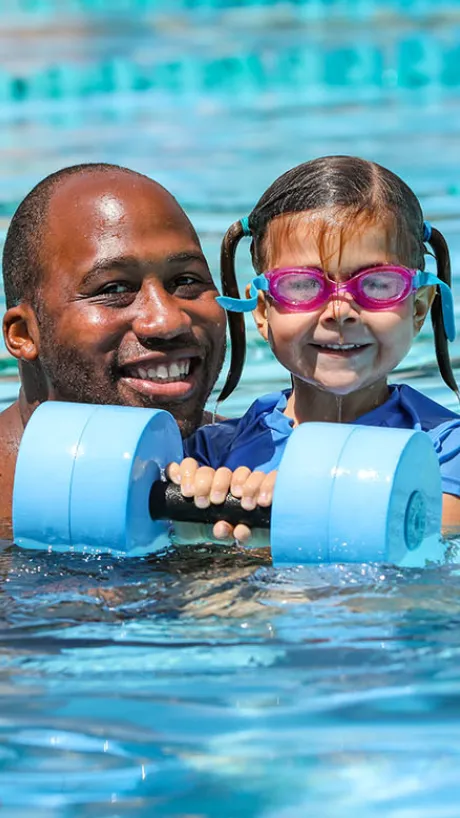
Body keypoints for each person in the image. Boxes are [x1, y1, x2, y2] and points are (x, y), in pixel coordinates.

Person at [169, 155, 460, 538]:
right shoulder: (213, 454)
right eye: (303, 286)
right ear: (262, 311)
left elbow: (433, 544)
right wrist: (193, 507)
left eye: (377, 284)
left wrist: (281, 522)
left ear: (418, 308)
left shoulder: (442, 450)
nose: (339, 312)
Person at [0, 163, 227, 539]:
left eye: (186, 281)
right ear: (24, 334)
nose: (166, 321)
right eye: (115, 289)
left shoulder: (248, 459)